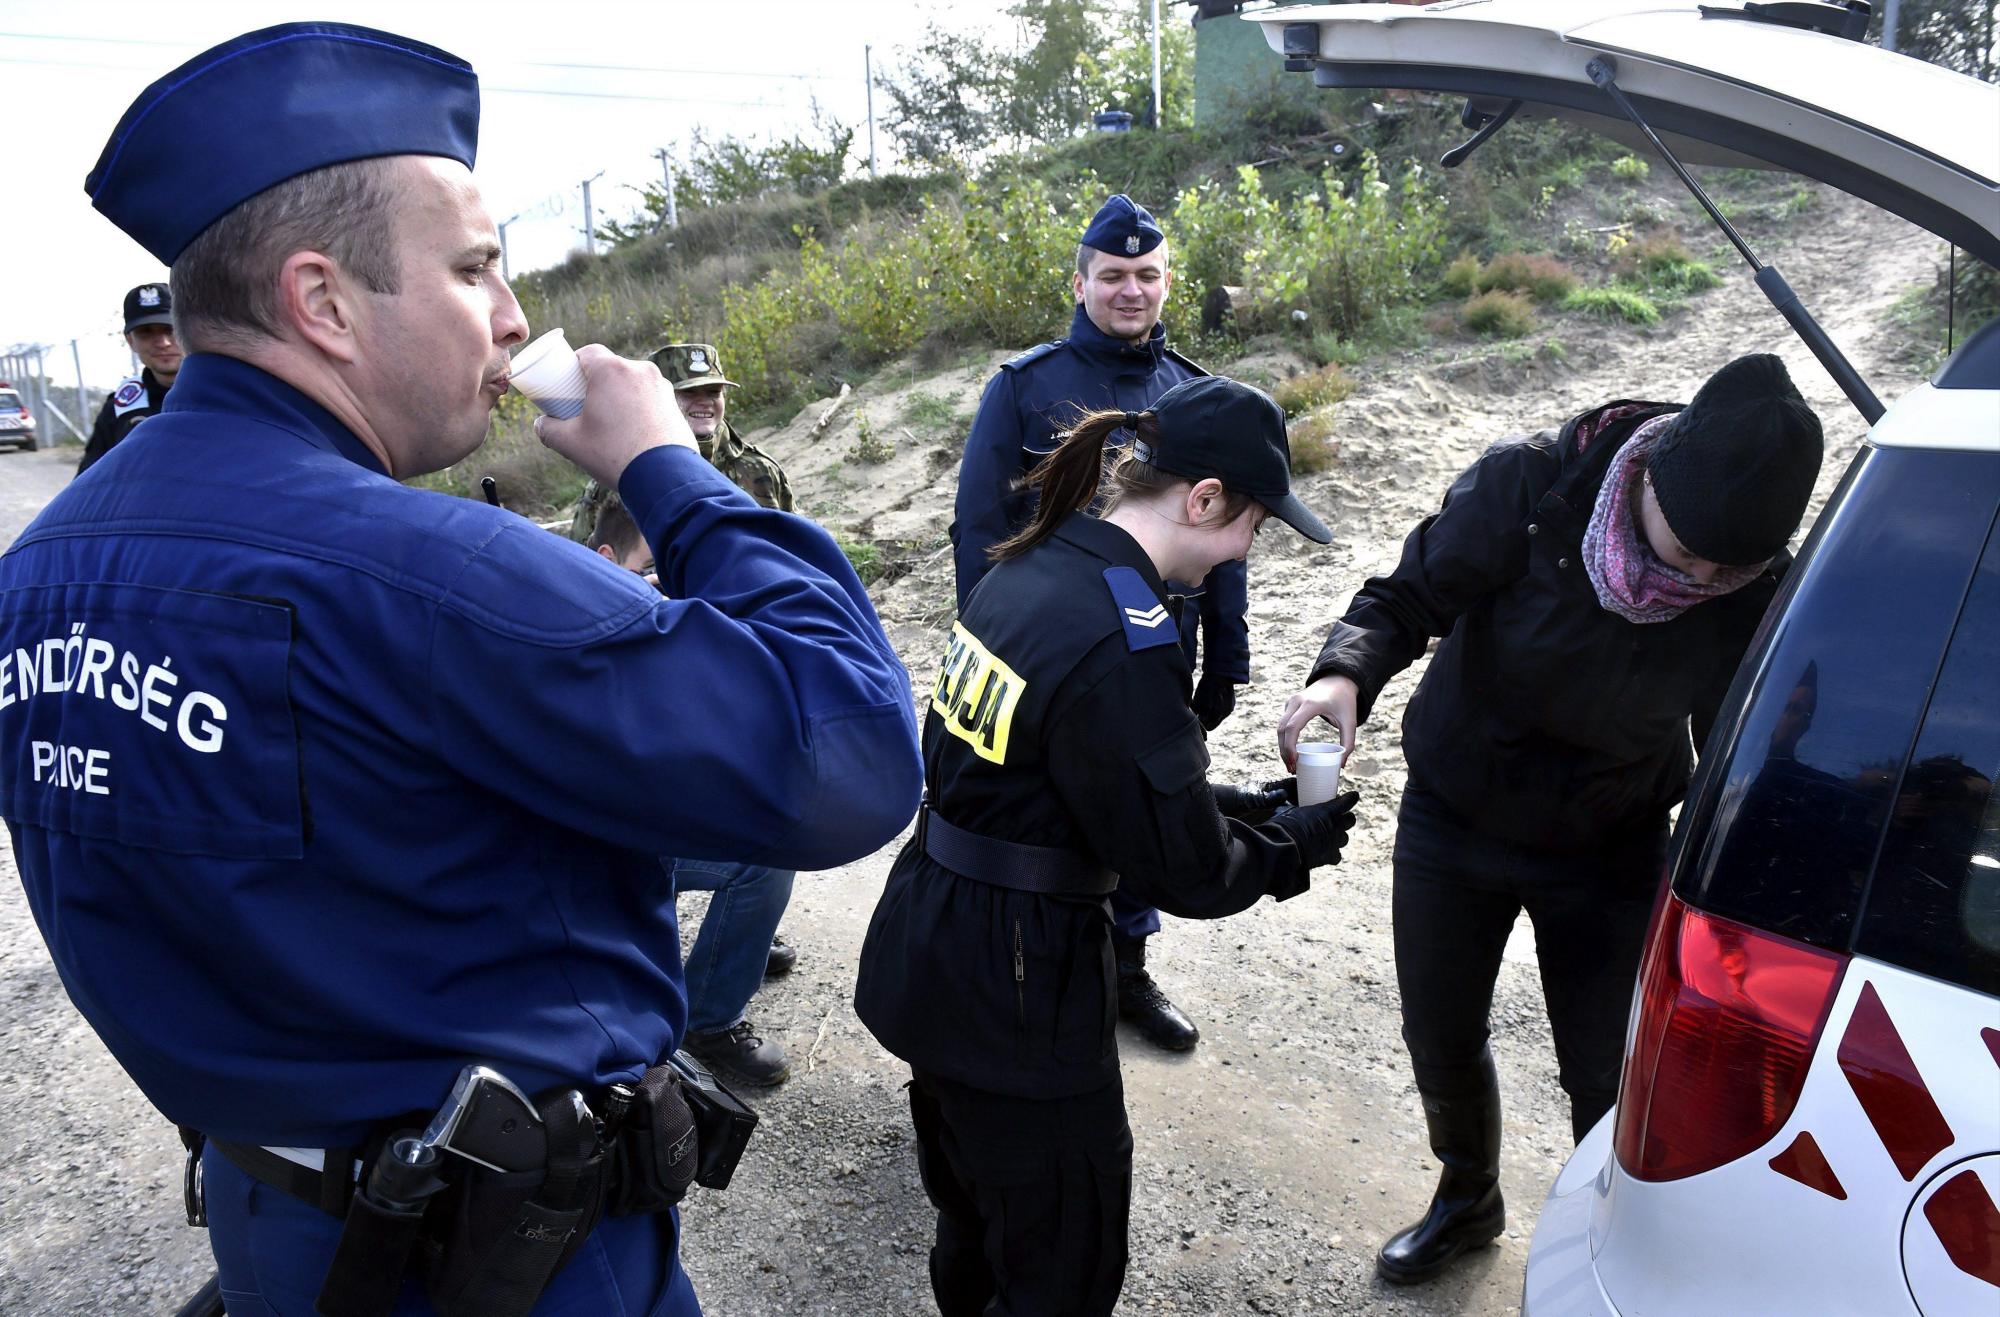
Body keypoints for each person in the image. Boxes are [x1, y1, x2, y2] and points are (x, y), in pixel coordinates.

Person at [3, 22, 921, 1316]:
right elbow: (851, 758)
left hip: (282, 1231)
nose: (512, 320)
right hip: (515, 1266)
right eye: (479, 270)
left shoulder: (42, 571)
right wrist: (674, 475)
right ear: (321, 302)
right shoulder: (435, 571)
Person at [1276, 354, 1824, 1285]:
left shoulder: (1753, 587)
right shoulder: (1532, 483)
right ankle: (1466, 1198)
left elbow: (1737, 744)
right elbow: (1405, 597)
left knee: (1609, 1071)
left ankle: (1609, 1235)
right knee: (1440, 1029)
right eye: (1686, 550)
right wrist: (1343, 674)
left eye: (1725, 569)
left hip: (1610, 843)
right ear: (1649, 476)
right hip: (1458, 813)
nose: (1696, 577)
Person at [857, 376, 1362, 1316]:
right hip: (1020, 987)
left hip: (938, 946)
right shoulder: (1124, 638)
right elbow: (1191, 873)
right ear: (1203, 499)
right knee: (1060, 1263)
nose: (1247, 550)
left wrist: (1232, 802)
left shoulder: (1035, 564)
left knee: (973, 1224)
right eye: (1253, 523)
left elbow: (1054, 775)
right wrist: (1290, 842)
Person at [950, 192, 1247, 1054]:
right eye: (1113, 275)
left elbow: (1226, 537)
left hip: (1159, 648)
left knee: (1145, 801)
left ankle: (1127, 967)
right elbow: (979, 533)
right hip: (1046, 656)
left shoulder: (1192, 391)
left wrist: (1227, 656)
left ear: (1167, 283)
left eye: (1147, 274)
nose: (1131, 290)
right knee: (1042, 814)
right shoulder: (1024, 388)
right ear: (1079, 283)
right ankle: (1029, 973)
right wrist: (990, 642)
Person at [587, 495, 800, 1087]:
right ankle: (699, 1015)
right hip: (579, 845)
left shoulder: (675, 621)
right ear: (607, 558)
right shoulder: (576, 628)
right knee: (751, 862)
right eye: (653, 570)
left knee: (765, 848)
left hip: (633, 822)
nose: (668, 587)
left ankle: (721, 979)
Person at [568, 340, 794, 547]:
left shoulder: (759, 469)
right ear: (656, 399)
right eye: (689, 392)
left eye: (713, 392)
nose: (704, 402)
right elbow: (582, 564)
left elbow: (797, 550)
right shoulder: (617, 478)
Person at [77, 282, 182, 473]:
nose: (163, 343)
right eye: (146, 332)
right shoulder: (120, 408)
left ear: (190, 331)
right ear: (131, 341)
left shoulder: (227, 395)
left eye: (170, 329)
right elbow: (88, 482)